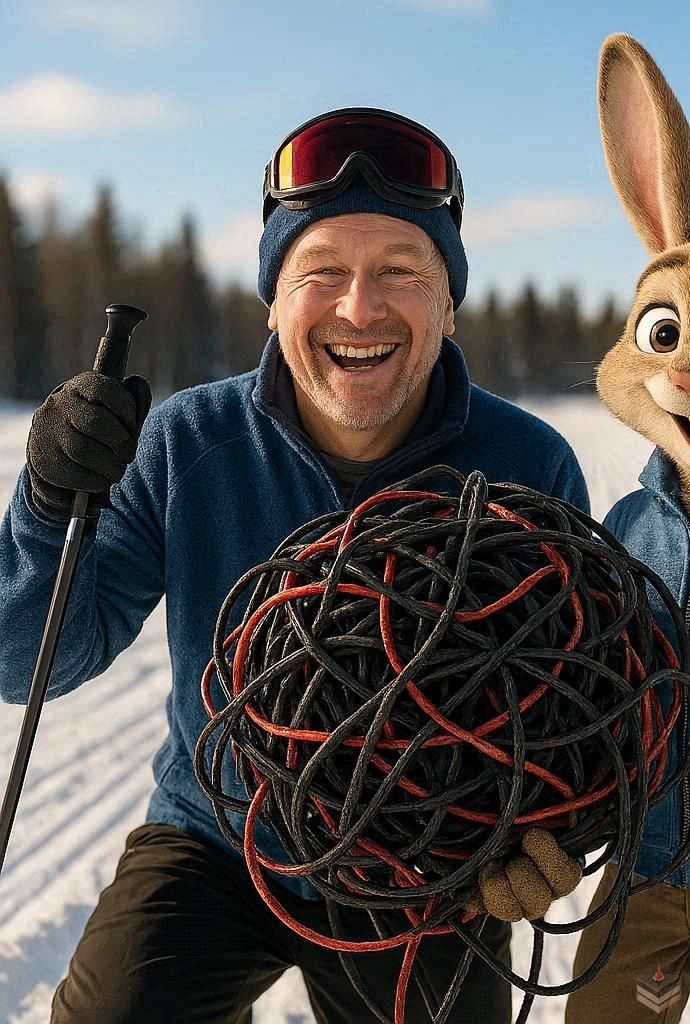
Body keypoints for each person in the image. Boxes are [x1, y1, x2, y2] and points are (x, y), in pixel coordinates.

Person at [0, 107, 589, 1024]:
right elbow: (24, 659)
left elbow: (569, 713)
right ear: (274, 297)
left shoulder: (528, 470)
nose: (361, 307)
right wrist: (46, 506)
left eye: (401, 269)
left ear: (449, 299)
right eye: (324, 272)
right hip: (214, 837)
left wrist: (540, 837)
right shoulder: (185, 443)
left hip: (424, 869)